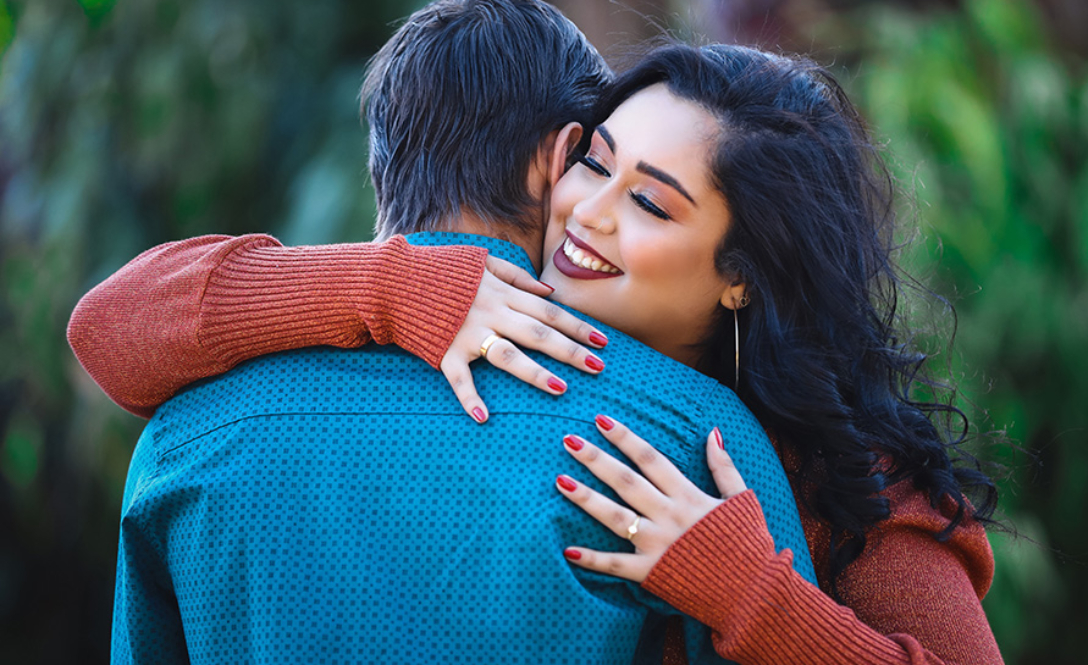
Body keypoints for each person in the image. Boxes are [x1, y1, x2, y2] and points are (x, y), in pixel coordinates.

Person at [82, 3, 815, 664]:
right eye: (595, 163)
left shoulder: (183, 438)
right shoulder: (698, 449)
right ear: (560, 158)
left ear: (382, 161)